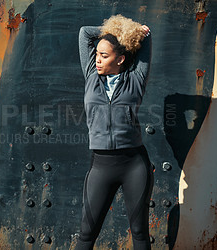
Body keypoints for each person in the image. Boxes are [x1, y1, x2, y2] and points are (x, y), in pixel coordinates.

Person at [75, 14, 154, 250]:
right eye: (97, 54)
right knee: (86, 234)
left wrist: (134, 33)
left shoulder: (136, 78)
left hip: (134, 165)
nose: (97, 59)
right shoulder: (91, 75)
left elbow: (147, 39)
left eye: (104, 55)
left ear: (120, 59)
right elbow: (84, 33)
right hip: (101, 166)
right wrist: (118, 30)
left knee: (139, 232)